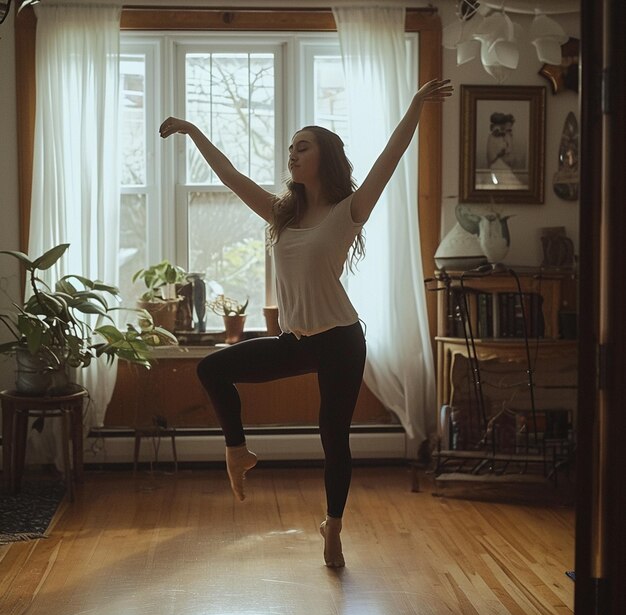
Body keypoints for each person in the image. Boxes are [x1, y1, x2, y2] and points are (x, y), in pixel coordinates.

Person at [159, 77, 453, 568]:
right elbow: (231, 176)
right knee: (211, 369)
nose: (292, 155)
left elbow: (389, 159)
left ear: (324, 158)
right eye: (291, 148)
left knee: (332, 436)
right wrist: (192, 130)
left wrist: (416, 106)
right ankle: (237, 452)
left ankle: (332, 527)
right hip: (294, 341)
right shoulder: (281, 215)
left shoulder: (348, 210)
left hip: (340, 340)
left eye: (303, 147)